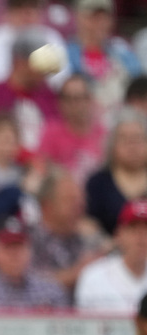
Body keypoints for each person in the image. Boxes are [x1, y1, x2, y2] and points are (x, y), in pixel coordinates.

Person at [0, 214, 70, 309]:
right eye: (7, 247)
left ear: (30, 251)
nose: (14, 254)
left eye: (19, 246)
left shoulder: (50, 291)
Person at [0, 0, 70, 90]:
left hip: (42, 97)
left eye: (32, 6)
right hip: (4, 99)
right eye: (19, 6)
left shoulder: (51, 37)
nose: (26, 12)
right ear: (9, 11)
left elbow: (61, 80)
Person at [65, 0, 141, 112]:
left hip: (123, 116)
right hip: (87, 115)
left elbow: (139, 86)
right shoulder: (66, 53)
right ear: (78, 18)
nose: (100, 23)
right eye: (93, 17)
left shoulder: (122, 52)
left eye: (104, 18)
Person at [75, 199, 147, 314]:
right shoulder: (93, 277)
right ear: (119, 234)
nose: (141, 237)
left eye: (146, 229)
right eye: (133, 228)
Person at [85, 108, 147, 236]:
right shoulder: (97, 183)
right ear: (111, 145)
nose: (132, 145)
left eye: (138, 138)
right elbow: (87, 225)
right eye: (124, 139)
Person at [37, 75, 108, 186]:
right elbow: (42, 170)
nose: (74, 105)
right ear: (60, 103)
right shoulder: (51, 132)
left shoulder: (103, 134)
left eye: (78, 98)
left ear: (89, 100)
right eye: (68, 99)